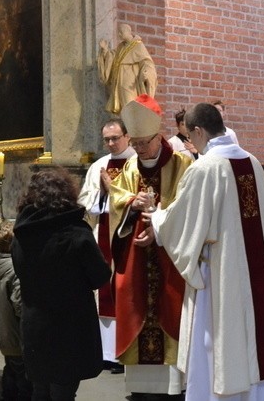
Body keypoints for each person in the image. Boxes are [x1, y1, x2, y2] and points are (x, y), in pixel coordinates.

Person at [142, 102, 264, 400]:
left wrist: (155, 215)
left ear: (198, 131)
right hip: (253, 272)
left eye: (190, 137)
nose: (191, 144)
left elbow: (182, 222)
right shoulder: (253, 163)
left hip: (218, 275)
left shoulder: (206, 168)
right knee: (254, 342)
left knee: (214, 341)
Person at [108, 94, 193, 398]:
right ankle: (141, 387)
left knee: (170, 311)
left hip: (170, 256)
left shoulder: (184, 164)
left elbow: (189, 208)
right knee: (137, 307)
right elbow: (116, 202)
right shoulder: (130, 167)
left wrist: (159, 222)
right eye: (137, 143)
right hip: (138, 256)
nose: (140, 149)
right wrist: (132, 203)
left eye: (145, 142)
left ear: (158, 136)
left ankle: (175, 386)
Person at [12, 168, 111, 400]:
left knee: (40, 390)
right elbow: (99, 277)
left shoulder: (22, 233)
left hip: (35, 323)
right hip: (70, 327)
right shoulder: (77, 233)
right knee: (63, 392)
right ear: (67, 194)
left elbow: (20, 271)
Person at [77, 118, 135, 375]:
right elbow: (85, 203)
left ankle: (126, 352)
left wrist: (113, 191)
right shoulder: (99, 165)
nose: (111, 143)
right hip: (103, 236)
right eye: (107, 139)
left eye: (115, 138)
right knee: (104, 292)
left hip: (130, 238)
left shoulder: (137, 163)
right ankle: (107, 353)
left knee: (126, 290)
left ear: (128, 137)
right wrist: (102, 193)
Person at [0, 221, 33, 400]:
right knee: (24, 382)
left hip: (4, 334)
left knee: (11, 371)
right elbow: (20, 305)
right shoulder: (15, 269)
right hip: (17, 335)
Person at [98, 24, 158, 114]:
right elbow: (112, 57)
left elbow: (147, 62)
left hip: (130, 82)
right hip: (118, 82)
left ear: (128, 31)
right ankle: (123, 125)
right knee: (123, 109)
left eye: (121, 32)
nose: (119, 34)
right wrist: (105, 50)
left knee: (129, 105)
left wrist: (147, 72)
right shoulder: (121, 46)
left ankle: (130, 126)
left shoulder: (138, 45)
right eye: (118, 32)